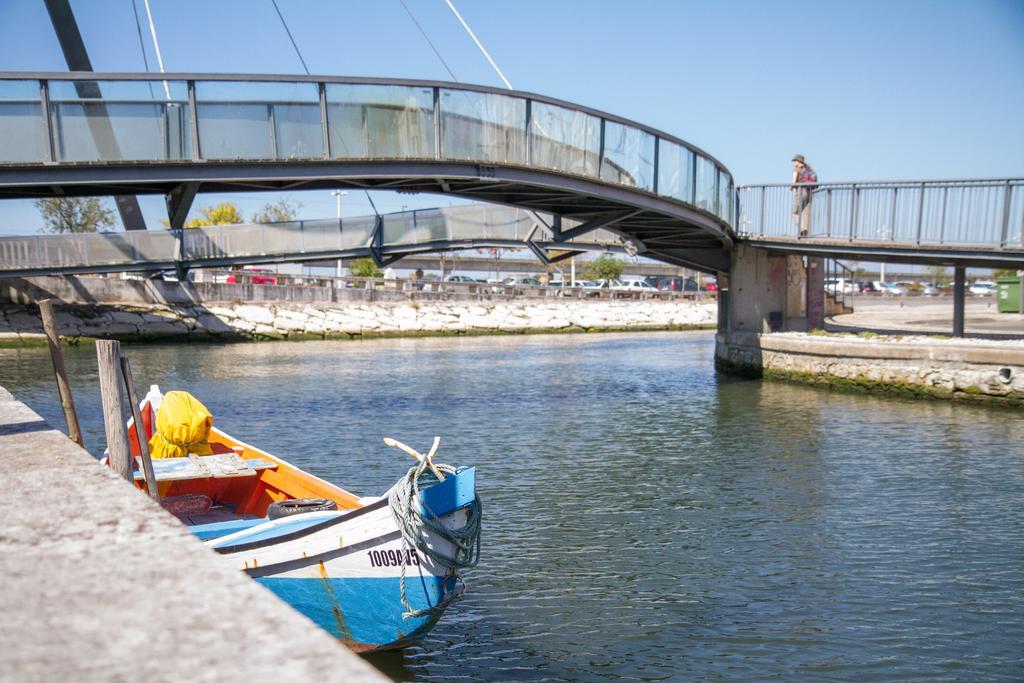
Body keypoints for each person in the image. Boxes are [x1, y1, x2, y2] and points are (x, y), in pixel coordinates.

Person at [790, 154, 817, 236]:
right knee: (805, 212)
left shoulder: (796, 169)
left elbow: (793, 183)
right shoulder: (809, 169)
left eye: (794, 161)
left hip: (801, 191)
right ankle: (805, 230)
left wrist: (790, 187)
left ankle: (802, 229)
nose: (793, 163)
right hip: (810, 191)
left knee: (795, 211)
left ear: (798, 161)